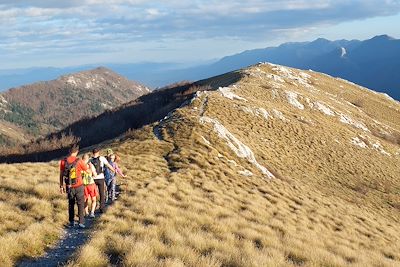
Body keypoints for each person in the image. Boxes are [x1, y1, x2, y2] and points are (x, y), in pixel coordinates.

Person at [59, 145, 89, 228]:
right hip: (79, 185)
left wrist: (61, 186)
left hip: (69, 186)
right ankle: (81, 222)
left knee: (71, 204)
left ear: (69, 151)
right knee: (80, 203)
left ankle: (71, 221)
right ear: (77, 152)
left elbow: (61, 174)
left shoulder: (63, 161)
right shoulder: (79, 161)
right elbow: (87, 169)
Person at [90, 147, 115, 213]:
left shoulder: (90, 160)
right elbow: (108, 165)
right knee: (102, 193)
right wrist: (113, 170)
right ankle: (102, 208)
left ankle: (93, 207)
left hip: (93, 179)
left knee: (94, 194)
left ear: (93, 153)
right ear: (98, 152)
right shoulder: (102, 158)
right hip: (101, 178)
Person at [82, 153, 97, 218]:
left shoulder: (80, 166)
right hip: (91, 184)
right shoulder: (90, 165)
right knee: (94, 199)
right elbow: (95, 175)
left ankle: (86, 213)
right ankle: (92, 212)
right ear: (88, 159)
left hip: (84, 185)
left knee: (85, 199)